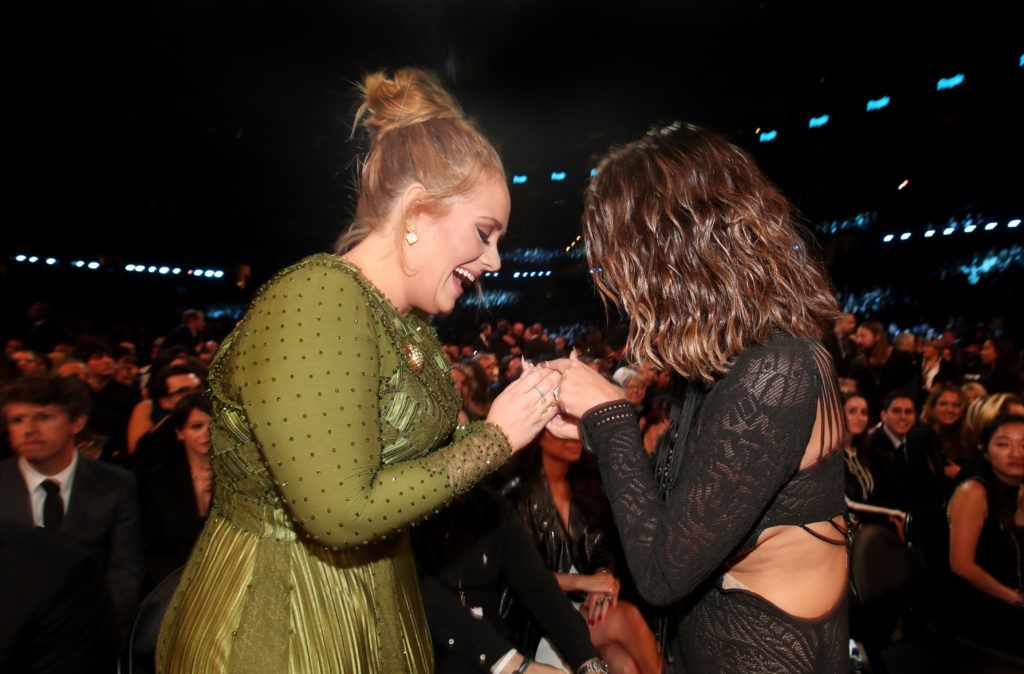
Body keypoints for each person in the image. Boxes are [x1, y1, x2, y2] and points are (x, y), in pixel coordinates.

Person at [156, 68, 561, 674]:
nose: (496, 260)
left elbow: (427, 463)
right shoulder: (317, 300)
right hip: (277, 628)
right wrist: (497, 437)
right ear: (419, 210)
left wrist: (547, 409)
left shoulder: (407, 326)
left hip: (377, 604)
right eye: (484, 233)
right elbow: (341, 513)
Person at [544, 122, 847, 672]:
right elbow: (675, 509)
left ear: (670, 253)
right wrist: (594, 432)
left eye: (620, 260)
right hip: (716, 642)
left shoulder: (776, 372)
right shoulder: (721, 363)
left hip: (766, 655)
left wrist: (610, 417)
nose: (614, 281)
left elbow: (662, 572)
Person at [506, 427, 662, 674]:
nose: (573, 436)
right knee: (627, 616)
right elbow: (524, 577)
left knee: (625, 665)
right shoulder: (518, 496)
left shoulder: (586, 487)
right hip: (540, 623)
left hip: (584, 614)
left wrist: (604, 579)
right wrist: (586, 582)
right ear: (538, 434)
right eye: (561, 429)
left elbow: (604, 552)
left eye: (576, 428)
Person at [0, 374, 145, 638]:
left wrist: (90, 626)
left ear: (77, 422)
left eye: (43, 417)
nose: (28, 429)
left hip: (91, 632)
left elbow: (126, 569)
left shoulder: (116, 484)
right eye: (17, 420)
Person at [414, 484, 605, 674]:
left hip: (496, 640)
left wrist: (589, 663)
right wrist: (513, 664)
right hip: (432, 646)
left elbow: (541, 589)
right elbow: (424, 599)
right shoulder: (404, 507)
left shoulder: (491, 506)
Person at [946, 414, 1024, 657]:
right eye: (1003, 444)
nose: (1016, 453)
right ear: (987, 451)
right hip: (982, 605)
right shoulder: (974, 492)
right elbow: (961, 566)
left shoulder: (1016, 488)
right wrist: (1017, 599)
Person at [134, 392, 214, 587]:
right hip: (172, 583)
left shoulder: (243, 480)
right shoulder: (158, 480)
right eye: (197, 426)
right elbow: (151, 547)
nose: (207, 433)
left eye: (215, 425)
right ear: (179, 432)